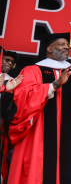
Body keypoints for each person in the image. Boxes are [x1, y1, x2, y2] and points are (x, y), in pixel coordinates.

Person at [8, 32, 71, 184]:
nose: (67, 47)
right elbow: (22, 99)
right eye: (62, 44)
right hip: (39, 130)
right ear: (50, 49)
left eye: (68, 45)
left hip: (70, 130)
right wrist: (54, 85)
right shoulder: (32, 71)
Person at [0, 48, 23, 182]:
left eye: (12, 62)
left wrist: (8, 93)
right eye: (6, 60)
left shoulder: (13, 83)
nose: (9, 63)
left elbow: (9, 111)